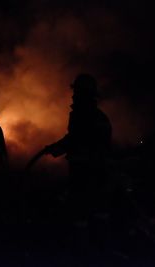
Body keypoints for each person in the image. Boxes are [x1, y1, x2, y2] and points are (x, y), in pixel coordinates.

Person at [44, 73, 112, 215]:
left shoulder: (84, 114)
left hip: (84, 169)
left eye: (76, 92)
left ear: (84, 93)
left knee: (80, 208)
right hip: (95, 170)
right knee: (92, 208)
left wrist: (55, 148)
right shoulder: (98, 115)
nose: (73, 96)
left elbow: (76, 138)